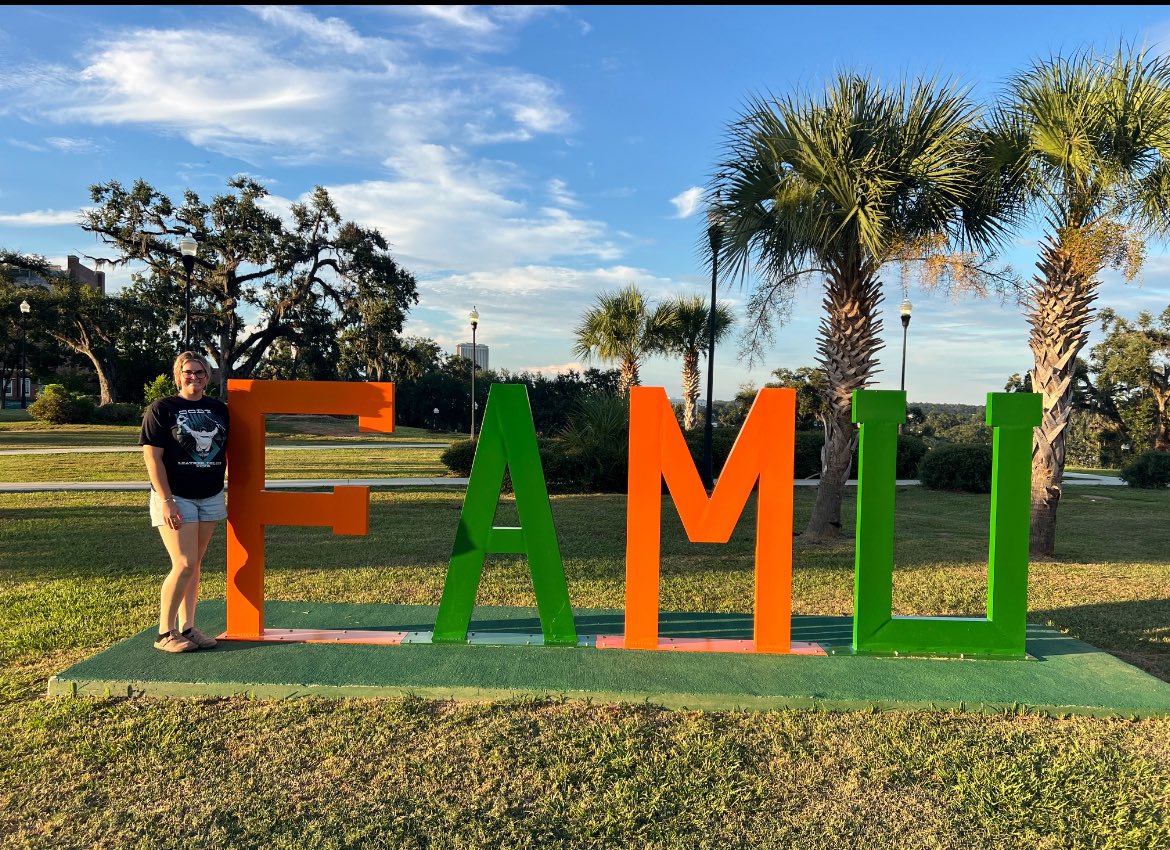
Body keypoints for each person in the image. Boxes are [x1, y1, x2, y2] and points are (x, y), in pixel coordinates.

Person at [140, 351, 229, 653]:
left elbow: (227, 448)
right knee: (184, 563)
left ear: (208, 377)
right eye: (188, 372)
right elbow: (152, 458)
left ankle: (188, 628)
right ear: (178, 376)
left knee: (195, 565)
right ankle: (164, 633)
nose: (194, 377)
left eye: (200, 372)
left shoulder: (218, 409)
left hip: (211, 494)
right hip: (176, 496)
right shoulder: (162, 408)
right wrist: (166, 500)